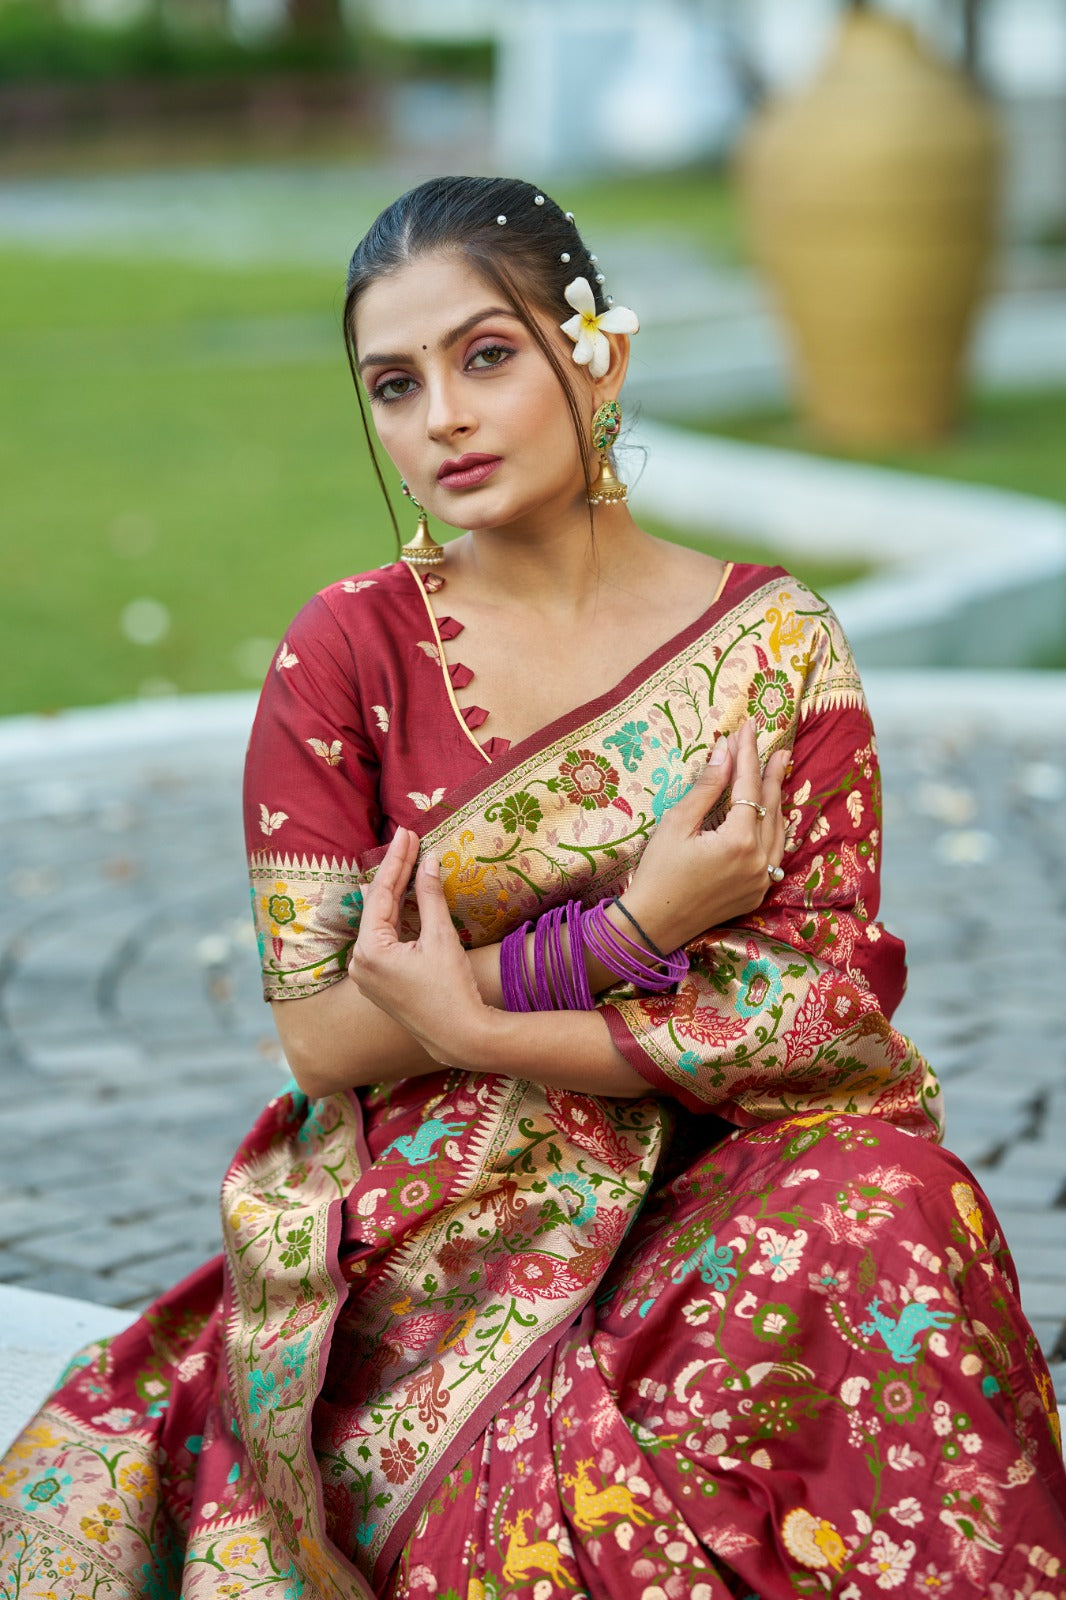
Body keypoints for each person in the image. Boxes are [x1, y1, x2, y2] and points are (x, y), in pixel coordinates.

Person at [1, 175, 1063, 1599]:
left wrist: (483, 1008)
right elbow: (323, 1033)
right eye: (394, 383)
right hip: (445, 1210)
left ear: (595, 354)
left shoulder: (774, 646)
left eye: (484, 356)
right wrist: (630, 934)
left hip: (719, 1149)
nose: (439, 415)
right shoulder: (350, 655)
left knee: (897, 1204)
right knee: (541, 1513)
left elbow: (806, 1011)